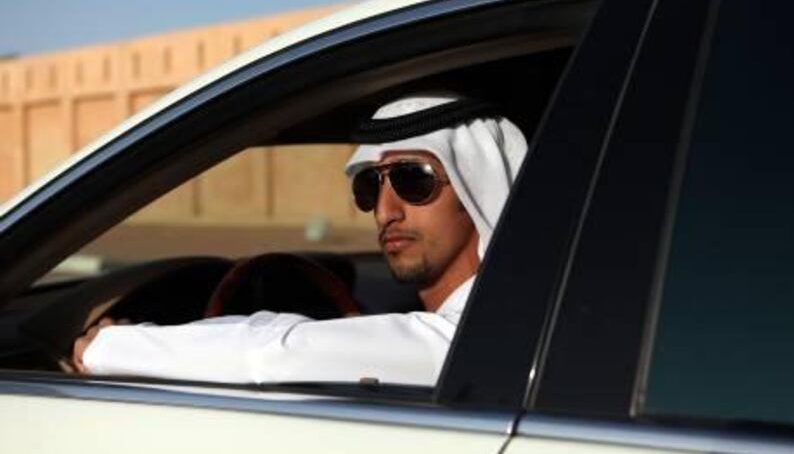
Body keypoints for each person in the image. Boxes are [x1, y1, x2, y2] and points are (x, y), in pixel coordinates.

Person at [71, 94, 527, 386]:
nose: (385, 211)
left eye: (414, 179)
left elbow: (276, 355)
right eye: (371, 185)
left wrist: (114, 348)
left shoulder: (487, 332)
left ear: (478, 190)